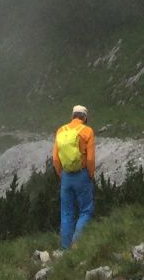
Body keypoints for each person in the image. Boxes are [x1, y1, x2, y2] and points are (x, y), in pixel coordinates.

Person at [53, 102, 96, 249]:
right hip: (82, 175)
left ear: (72, 116)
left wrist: (61, 175)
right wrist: (90, 174)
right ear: (84, 117)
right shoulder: (87, 131)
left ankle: (65, 249)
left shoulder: (61, 130)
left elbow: (55, 159)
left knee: (66, 213)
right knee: (86, 210)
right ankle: (77, 244)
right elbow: (90, 159)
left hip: (66, 176)